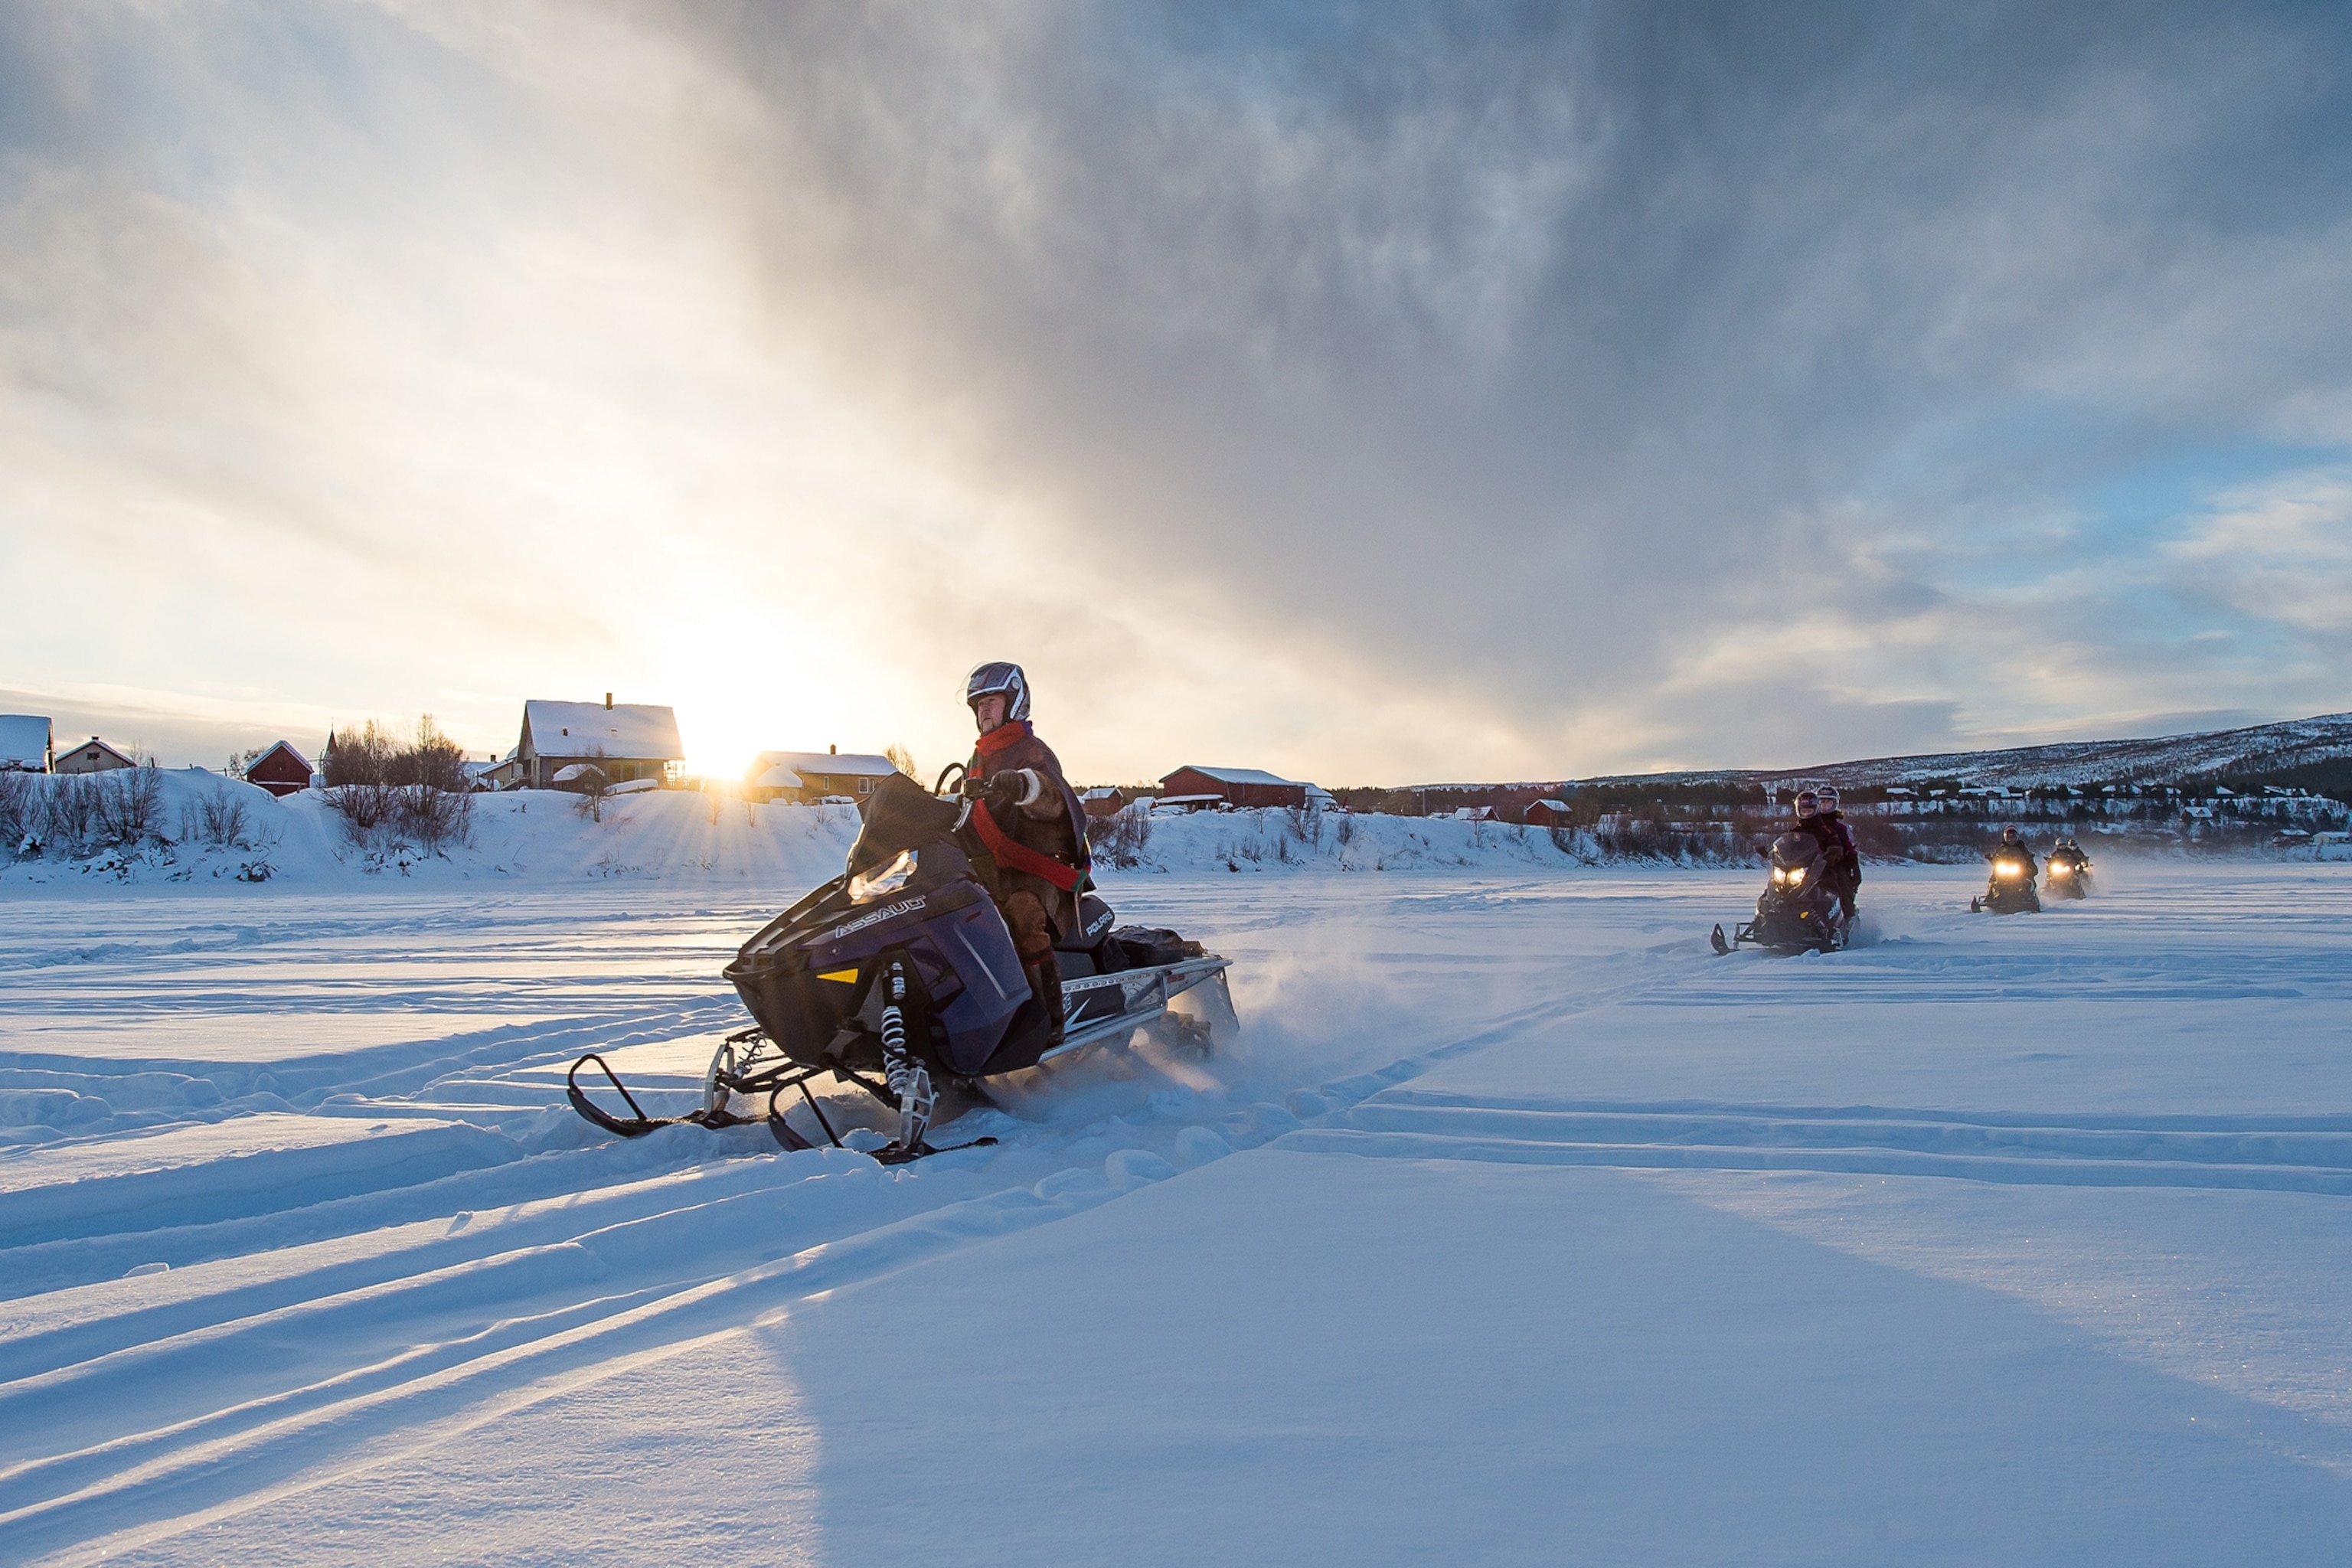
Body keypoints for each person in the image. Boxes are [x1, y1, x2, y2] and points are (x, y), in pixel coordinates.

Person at [959, 662, 1091, 1046]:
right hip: (993, 869)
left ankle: (1047, 1024)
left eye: (992, 700)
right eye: (979, 704)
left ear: (1014, 702)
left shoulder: (1031, 751)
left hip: (1041, 868)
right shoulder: (976, 760)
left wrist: (1024, 786)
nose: (984, 709)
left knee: (1022, 915)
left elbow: (1055, 799)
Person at [1815, 786, 1861, 922]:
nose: (1825, 806)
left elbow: (1851, 845)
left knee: (1842, 882)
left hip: (1835, 864)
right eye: (1822, 802)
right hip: (1810, 864)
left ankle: (1847, 916)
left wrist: (1852, 862)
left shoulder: (1841, 826)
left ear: (1835, 804)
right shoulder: (1810, 823)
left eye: (1829, 802)